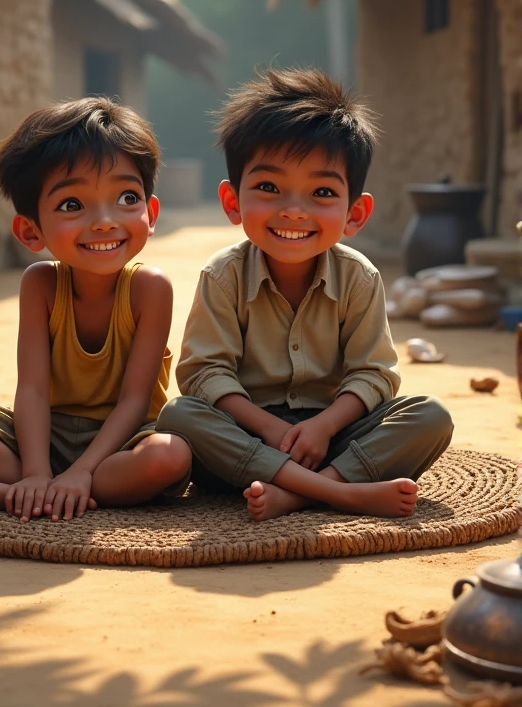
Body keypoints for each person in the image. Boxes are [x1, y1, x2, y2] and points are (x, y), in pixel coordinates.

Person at [156, 67, 453, 522]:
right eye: (269, 188)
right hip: (247, 440)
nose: (294, 210)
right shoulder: (222, 275)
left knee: (430, 416)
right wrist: (270, 429)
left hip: (332, 435)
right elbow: (204, 373)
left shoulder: (359, 277)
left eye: (321, 192)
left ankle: (297, 494)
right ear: (233, 201)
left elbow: (374, 373)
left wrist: (324, 425)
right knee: (179, 415)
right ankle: (342, 492)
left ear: (355, 213)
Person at [0, 98, 191, 521]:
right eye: (72, 205)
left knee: (169, 457)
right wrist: (34, 469)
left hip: (122, 443)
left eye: (126, 197)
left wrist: (84, 469)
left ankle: (7, 494)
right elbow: (31, 389)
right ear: (30, 231)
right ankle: (37, 487)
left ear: (150, 212)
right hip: (48, 435)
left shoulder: (149, 288)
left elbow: (135, 400)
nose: (104, 221)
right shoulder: (41, 284)